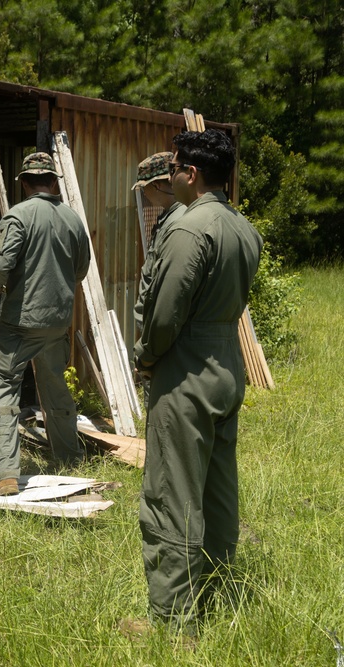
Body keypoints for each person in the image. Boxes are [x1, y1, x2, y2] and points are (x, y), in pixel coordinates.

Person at [130, 129, 263, 635]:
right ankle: (220, 596)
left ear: (191, 173)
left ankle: (173, 621)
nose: (171, 177)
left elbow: (164, 316)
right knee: (218, 491)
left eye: (176, 168)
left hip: (187, 371)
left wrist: (147, 357)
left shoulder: (190, 229)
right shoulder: (242, 227)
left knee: (172, 495)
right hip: (228, 367)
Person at [0, 152, 91, 496]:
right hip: (57, 321)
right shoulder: (74, 220)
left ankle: (7, 474)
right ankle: (70, 458)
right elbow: (81, 271)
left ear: (26, 183)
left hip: (18, 322)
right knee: (55, 387)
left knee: (4, 388)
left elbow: (1, 266)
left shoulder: (18, 216)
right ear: (54, 181)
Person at [132, 151, 186, 333]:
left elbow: (172, 287)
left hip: (163, 331)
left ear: (154, 185)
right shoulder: (170, 216)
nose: (144, 194)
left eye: (143, 188)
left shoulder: (179, 220)